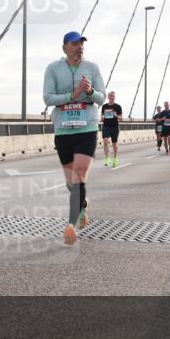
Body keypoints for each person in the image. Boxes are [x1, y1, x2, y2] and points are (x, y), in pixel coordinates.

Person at [43, 31, 106, 245]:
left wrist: (89, 91)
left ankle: (70, 226)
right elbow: (48, 97)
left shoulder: (93, 68)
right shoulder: (53, 69)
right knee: (71, 182)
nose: (80, 47)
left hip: (87, 128)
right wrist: (72, 95)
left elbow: (101, 97)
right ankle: (82, 204)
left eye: (81, 44)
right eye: (75, 43)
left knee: (79, 174)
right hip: (63, 130)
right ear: (64, 48)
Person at [100, 91, 123, 167]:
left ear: (114, 97)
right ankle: (107, 159)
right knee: (105, 141)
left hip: (114, 127)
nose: (112, 97)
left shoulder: (118, 107)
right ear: (108, 97)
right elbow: (102, 117)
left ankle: (115, 158)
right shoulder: (104, 106)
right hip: (106, 126)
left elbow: (121, 118)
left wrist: (116, 115)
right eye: (110, 96)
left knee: (114, 144)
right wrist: (102, 118)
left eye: (113, 96)